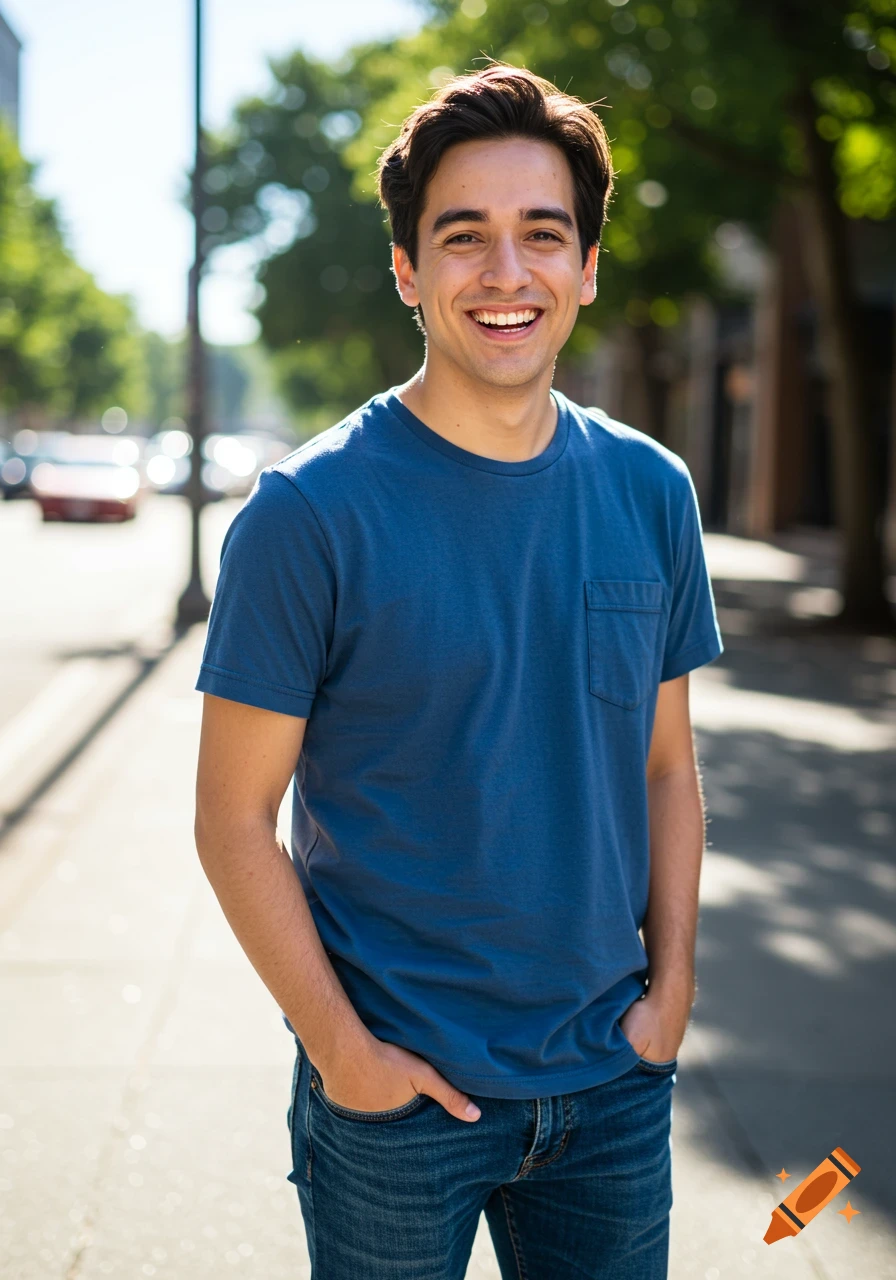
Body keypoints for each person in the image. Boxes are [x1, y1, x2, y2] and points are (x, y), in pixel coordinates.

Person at [194, 62, 724, 1280]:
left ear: (586, 268)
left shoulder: (651, 491)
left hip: (610, 1085)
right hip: (393, 1100)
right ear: (406, 269)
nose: (505, 273)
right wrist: (343, 1053)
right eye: (462, 236)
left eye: (542, 235)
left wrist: (671, 992)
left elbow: (662, 764)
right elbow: (230, 819)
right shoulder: (307, 512)